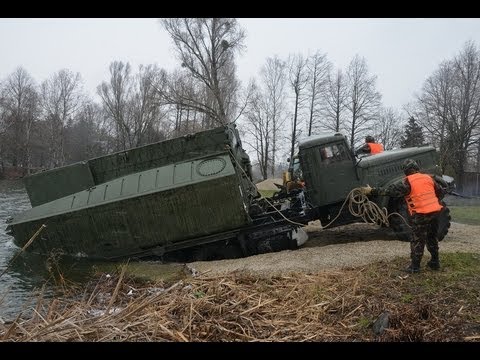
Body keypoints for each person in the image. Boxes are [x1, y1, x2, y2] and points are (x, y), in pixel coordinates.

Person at [360, 159, 446, 273]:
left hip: (420, 214)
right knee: (432, 237)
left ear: (406, 171)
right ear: (416, 168)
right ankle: (435, 262)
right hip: (435, 212)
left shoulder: (407, 182)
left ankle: (415, 267)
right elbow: (440, 192)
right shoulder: (428, 178)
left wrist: (371, 191)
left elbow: (388, 191)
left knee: (417, 240)